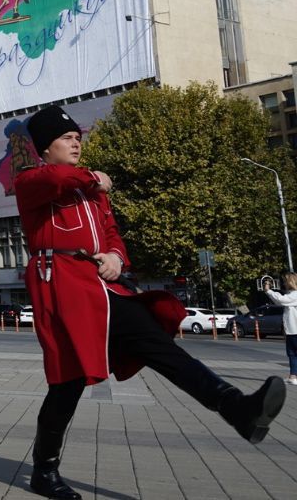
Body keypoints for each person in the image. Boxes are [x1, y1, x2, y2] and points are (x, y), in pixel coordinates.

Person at [14, 104, 286, 500]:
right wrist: (94, 178)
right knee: (67, 381)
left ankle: (237, 409)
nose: (77, 144)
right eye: (67, 138)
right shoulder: (32, 180)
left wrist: (114, 257)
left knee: (160, 346)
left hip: (102, 286)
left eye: (78, 138)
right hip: (62, 288)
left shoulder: (93, 193)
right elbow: (56, 177)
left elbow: (112, 234)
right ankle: (45, 470)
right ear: (45, 147)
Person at [264, 272, 297, 386]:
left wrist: (269, 291)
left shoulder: (295, 295)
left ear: (290, 282)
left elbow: (282, 300)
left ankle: (293, 376)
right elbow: (279, 301)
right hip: (292, 330)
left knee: (293, 353)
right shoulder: (292, 295)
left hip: (295, 330)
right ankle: (293, 376)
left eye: (285, 281)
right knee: (292, 354)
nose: (283, 283)